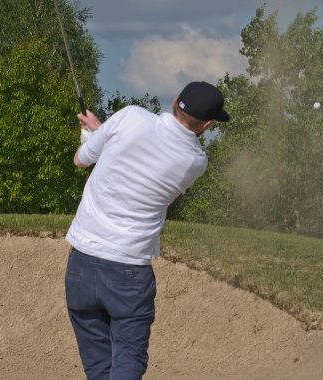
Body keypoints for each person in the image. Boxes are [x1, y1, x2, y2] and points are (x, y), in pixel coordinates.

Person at [64, 81, 229, 379]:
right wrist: (103, 132)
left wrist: (96, 135)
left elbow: (81, 159)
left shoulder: (129, 117)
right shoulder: (195, 162)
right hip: (128, 271)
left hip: (82, 263)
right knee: (128, 358)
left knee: (99, 367)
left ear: (174, 101)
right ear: (205, 125)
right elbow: (144, 157)